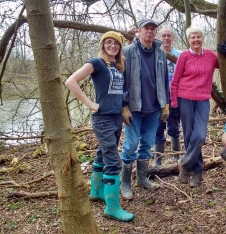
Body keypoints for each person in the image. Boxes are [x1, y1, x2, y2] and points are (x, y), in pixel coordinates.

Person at [65, 31, 134, 222]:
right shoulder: (96, 63)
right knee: (113, 161)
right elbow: (70, 81)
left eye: (116, 44)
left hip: (115, 118)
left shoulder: (118, 65)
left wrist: (130, 39)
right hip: (102, 118)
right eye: (108, 43)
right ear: (103, 45)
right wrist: (89, 103)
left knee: (103, 153)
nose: (112, 46)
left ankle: (96, 191)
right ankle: (112, 207)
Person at [171, 25, 226, 188]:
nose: (196, 40)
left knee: (199, 136)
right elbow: (175, 81)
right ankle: (197, 171)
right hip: (184, 98)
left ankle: (185, 164)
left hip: (202, 100)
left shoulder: (210, 55)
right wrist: (174, 102)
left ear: (202, 38)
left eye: (198, 36)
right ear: (189, 40)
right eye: (193, 37)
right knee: (188, 135)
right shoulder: (184, 56)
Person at [120, 18, 169, 199]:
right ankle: (125, 182)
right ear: (139, 32)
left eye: (152, 29)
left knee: (147, 144)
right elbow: (122, 81)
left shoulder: (160, 53)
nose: (149, 32)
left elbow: (164, 80)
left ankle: (142, 178)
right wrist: (123, 107)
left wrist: (166, 105)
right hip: (134, 108)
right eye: (146, 29)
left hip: (154, 107)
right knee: (131, 144)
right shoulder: (128, 51)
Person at [153, 26, 182, 166]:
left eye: (168, 35)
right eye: (163, 35)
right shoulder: (154, 54)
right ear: (159, 37)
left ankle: (177, 157)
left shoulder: (179, 55)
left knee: (174, 127)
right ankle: (158, 160)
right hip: (157, 98)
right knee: (158, 127)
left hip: (174, 97)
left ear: (173, 38)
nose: (166, 38)